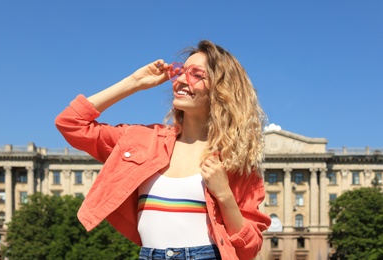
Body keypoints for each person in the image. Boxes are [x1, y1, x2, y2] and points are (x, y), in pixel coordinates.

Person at [55, 40, 271, 260]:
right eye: (181, 71)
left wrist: (225, 195)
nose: (181, 80)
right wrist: (134, 82)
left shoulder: (236, 160)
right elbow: (71, 123)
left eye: (196, 74)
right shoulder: (142, 141)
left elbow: (249, 248)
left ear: (222, 90)